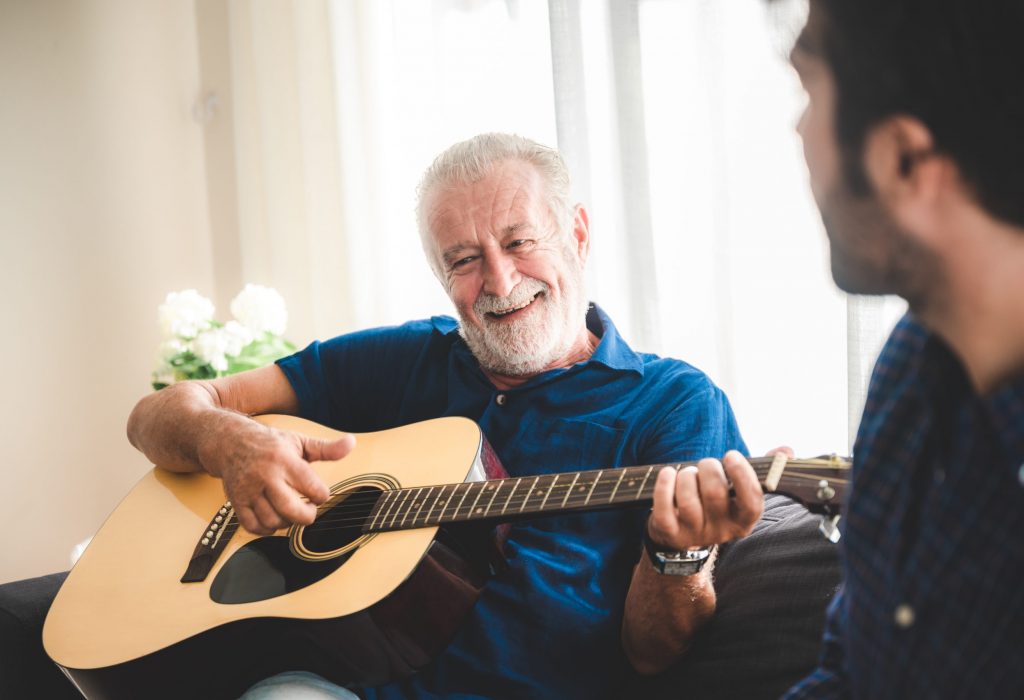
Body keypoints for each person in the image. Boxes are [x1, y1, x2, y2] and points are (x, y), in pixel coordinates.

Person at [0, 133, 766, 699]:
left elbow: (655, 653)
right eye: (463, 260)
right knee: (22, 623)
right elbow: (155, 415)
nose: (499, 281)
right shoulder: (406, 358)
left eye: (520, 241)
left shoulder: (674, 402)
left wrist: (677, 558)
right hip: (320, 674)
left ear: (578, 235)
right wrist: (228, 442)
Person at [780, 1, 1024, 697]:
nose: (798, 133)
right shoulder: (908, 365)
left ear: (902, 158)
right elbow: (849, 669)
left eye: (810, 92)